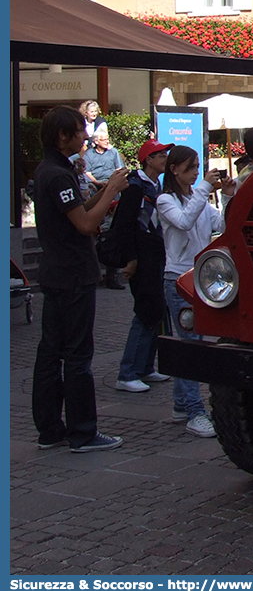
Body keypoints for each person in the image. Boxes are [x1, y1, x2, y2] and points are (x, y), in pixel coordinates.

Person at [32, 105, 129, 452]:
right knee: (76, 355)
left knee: (50, 352)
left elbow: (79, 213)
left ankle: (49, 429)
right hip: (72, 274)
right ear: (62, 136)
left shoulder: (52, 171)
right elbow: (86, 225)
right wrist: (113, 191)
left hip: (56, 272)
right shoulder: (58, 176)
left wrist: (105, 192)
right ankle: (82, 431)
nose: (86, 136)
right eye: (78, 131)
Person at [157, 146, 235, 438]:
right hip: (176, 276)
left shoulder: (196, 197)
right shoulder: (165, 200)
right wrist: (204, 188)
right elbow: (183, 221)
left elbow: (222, 225)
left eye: (198, 167)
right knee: (190, 344)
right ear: (174, 169)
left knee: (191, 342)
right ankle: (194, 411)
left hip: (195, 277)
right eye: (191, 168)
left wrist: (227, 194)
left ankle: (181, 405)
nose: (195, 173)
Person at [113, 139, 174, 393]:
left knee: (156, 309)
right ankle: (128, 372)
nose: (165, 159)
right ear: (148, 159)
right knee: (146, 309)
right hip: (142, 255)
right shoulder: (135, 187)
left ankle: (146, 367)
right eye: (160, 155)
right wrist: (131, 258)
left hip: (154, 253)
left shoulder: (154, 184)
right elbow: (124, 225)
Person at [83, 129, 127, 289]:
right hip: (96, 187)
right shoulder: (89, 154)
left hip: (112, 188)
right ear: (96, 142)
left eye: (108, 138)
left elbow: (120, 169)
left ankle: (112, 277)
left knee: (111, 232)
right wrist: (99, 184)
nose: (107, 142)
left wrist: (112, 185)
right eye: (104, 139)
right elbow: (87, 173)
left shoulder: (113, 152)